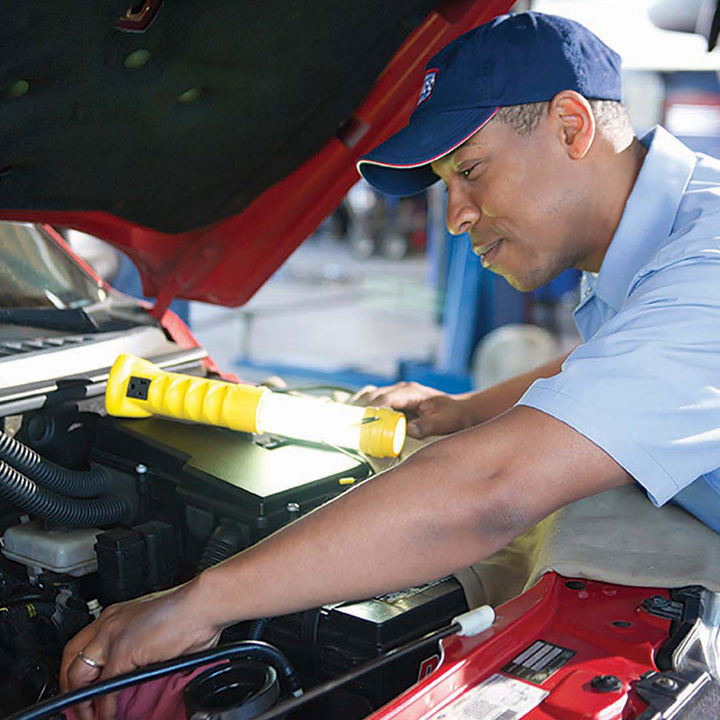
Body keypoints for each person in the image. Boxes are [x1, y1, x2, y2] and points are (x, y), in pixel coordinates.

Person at [61, 12, 720, 719]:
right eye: (445, 184)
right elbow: (613, 360)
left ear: (570, 126)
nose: (456, 216)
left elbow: (494, 490)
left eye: (470, 171)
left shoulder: (706, 265)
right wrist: (466, 411)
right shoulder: (654, 247)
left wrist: (201, 602)